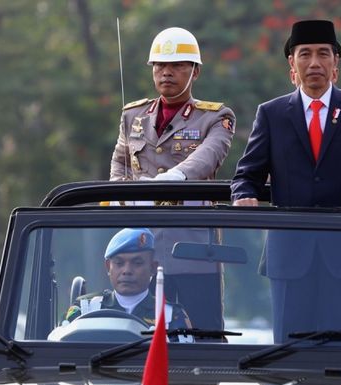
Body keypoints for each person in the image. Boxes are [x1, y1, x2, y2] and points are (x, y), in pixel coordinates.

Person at [230, 20, 341, 342]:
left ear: (336, 63)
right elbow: (247, 174)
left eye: (324, 53)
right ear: (292, 64)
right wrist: (244, 195)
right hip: (289, 256)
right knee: (289, 353)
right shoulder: (272, 113)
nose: (315, 62)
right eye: (304, 54)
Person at [109, 27, 235, 330]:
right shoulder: (133, 116)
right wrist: (120, 196)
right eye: (160, 66)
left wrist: (176, 176)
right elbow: (120, 162)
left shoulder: (215, 117)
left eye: (178, 66)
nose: (167, 73)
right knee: (135, 333)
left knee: (202, 333)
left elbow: (209, 155)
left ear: (195, 72)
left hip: (191, 249)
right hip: (140, 252)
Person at [64, 228, 192, 330]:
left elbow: (184, 360)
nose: (127, 271)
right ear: (108, 267)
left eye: (137, 263)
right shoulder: (84, 309)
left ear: (153, 268)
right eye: (119, 263)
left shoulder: (171, 316)